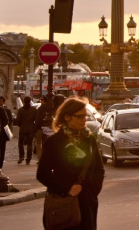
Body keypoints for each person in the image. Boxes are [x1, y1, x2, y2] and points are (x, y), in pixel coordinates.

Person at [37, 98, 105, 230]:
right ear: (67, 117)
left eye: (85, 116)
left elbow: (99, 169)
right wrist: (67, 188)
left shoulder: (90, 139)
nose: (84, 119)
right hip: (63, 203)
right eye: (79, 116)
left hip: (87, 203)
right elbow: (42, 174)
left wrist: (93, 190)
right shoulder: (55, 141)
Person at [15, 96, 38, 165]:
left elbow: (18, 120)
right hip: (31, 128)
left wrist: (20, 125)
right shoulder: (34, 110)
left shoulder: (21, 110)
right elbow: (36, 120)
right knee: (29, 144)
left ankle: (21, 156)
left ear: (24, 101)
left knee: (20, 143)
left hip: (22, 128)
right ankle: (28, 159)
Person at [0, 96, 13, 168]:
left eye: (1, 101)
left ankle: (0, 163)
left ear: (4, 102)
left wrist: (9, 131)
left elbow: (9, 121)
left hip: (3, 132)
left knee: (2, 148)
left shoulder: (7, 111)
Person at [35, 95, 52, 161]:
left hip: (40, 128)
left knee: (39, 143)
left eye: (41, 100)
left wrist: (35, 127)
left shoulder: (40, 108)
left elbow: (37, 119)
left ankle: (40, 158)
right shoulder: (50, 108)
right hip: (49, 128)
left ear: (43, 101)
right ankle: (46, 158)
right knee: (46, 143)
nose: (40, 101)